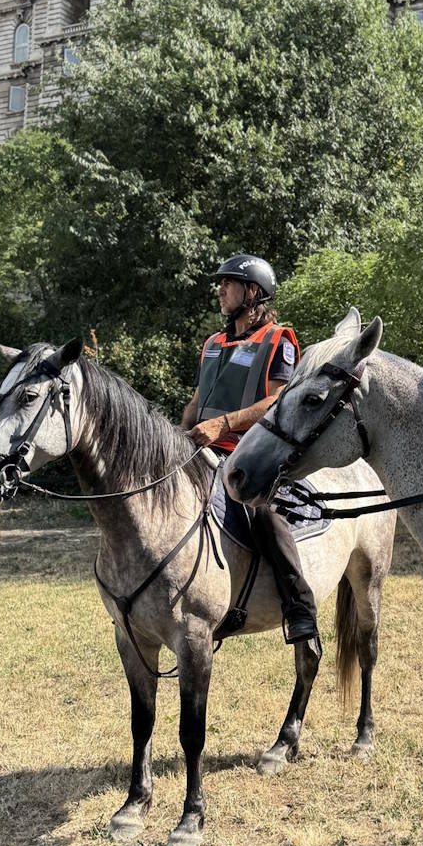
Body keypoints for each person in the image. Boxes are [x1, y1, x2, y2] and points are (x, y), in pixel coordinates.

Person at [181, 253, 318, 645]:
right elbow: (196, 401)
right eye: (220, 282)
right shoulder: (212, 343)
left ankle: (298, 607)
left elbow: (275, 401)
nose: (220, 289)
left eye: (229, 283)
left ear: (253, 291)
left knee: (261, 512)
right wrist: (178, 432)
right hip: (199, 446)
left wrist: (222, 425)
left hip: (250, 452)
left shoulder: (278, 339)